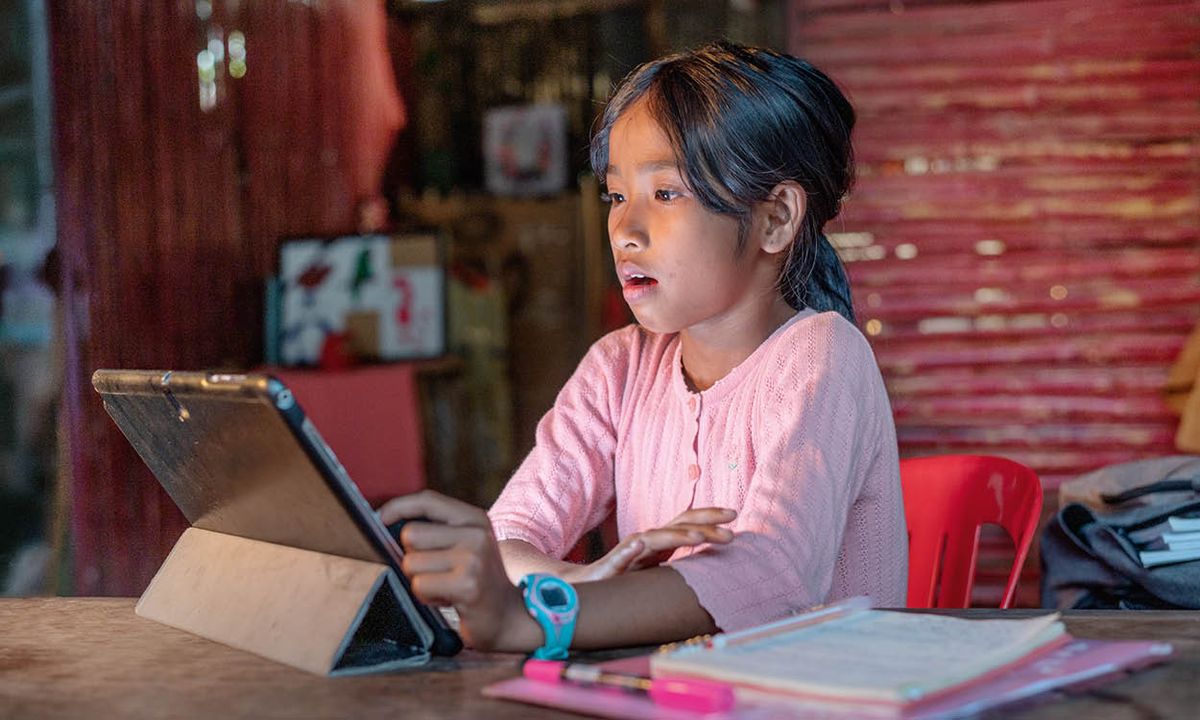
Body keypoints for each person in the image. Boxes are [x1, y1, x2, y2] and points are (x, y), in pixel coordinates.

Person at [380, 40, 906, 655]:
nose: (625, 230)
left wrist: (546, 616)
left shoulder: (823, 356)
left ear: (775, 219)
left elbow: (772, 576)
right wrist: (580, 584)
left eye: (665, 194)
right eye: (615, 195)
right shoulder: (618, 369)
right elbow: (510, 536)